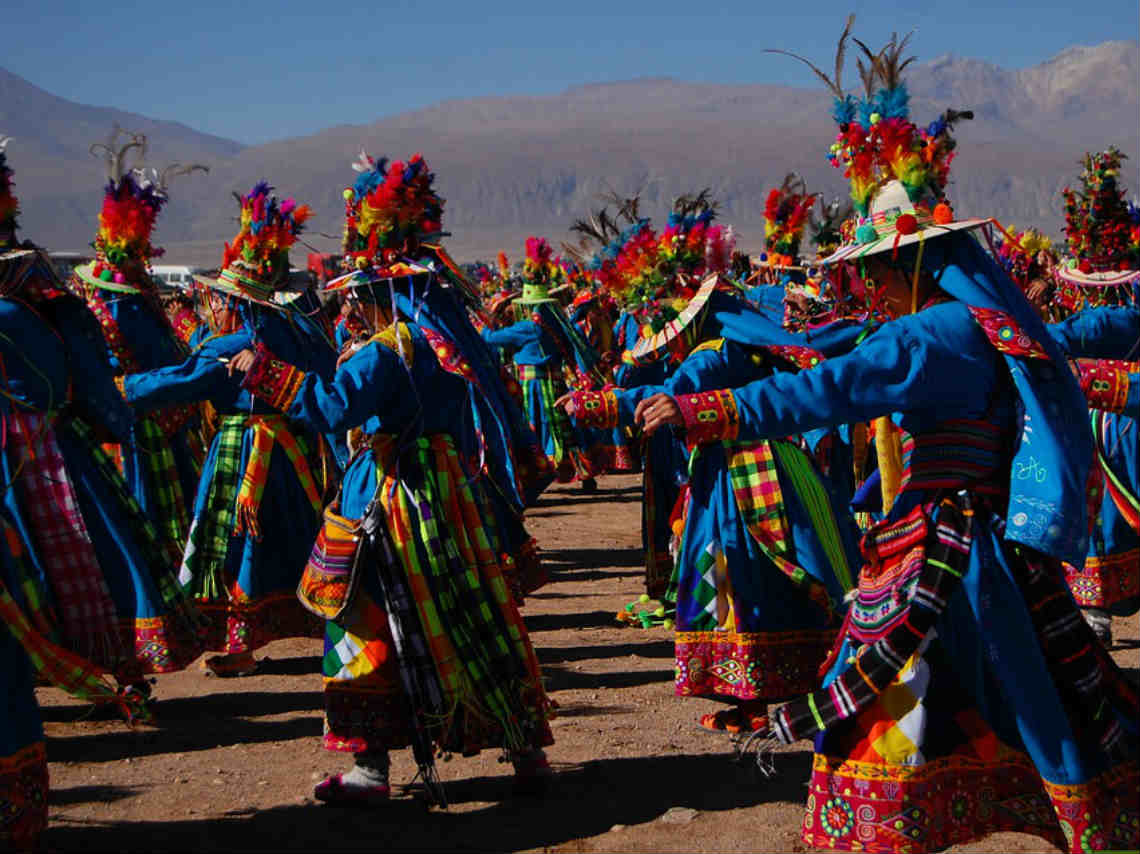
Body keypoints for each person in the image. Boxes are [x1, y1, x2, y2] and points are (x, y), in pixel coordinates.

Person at [638, 29, 1138, 852]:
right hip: (988, 551)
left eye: (875, 267)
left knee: (887, 692)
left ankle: (880, 826)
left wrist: (705, 412)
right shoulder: (974, 323)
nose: (865, 282)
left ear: (910, 263)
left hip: (941, 551)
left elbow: (825, 389)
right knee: (1033, 695)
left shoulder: (926, 338)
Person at [231, 152, 553, 805]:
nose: (348, 303)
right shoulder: (442, 341)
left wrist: (260, 371)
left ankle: (371, 769)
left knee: (365, 622)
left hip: (388, 500)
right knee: (477, 613)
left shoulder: (388, 349)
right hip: (449, 498)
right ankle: (525, 751)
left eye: (355, 293)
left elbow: (329, 406)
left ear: (375, 291)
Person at [121, 182, 334, 677]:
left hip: (242, 453)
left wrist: (122, 387)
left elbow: (182, 380)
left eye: (220, 298)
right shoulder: (300, 333)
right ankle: (330, 624)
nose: (215, 306)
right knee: (300, 534)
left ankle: (241, 646)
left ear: (236, 301)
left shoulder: (234, 345)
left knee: (237, 542)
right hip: (293, 451)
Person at [71, 129, 208, 546]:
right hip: (140, 443)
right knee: (154, 532)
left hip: (124, 440)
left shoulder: (101, 305)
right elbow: (154, 372)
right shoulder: (124, 309)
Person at [481, 237, 607, 489]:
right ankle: (584, 473)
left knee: (533, 429)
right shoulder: (557, 325)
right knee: (562, 428)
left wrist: (485, 321)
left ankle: (537, 475)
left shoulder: (527, 328)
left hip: (533, 386)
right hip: (556, 382)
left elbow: (491, 339)